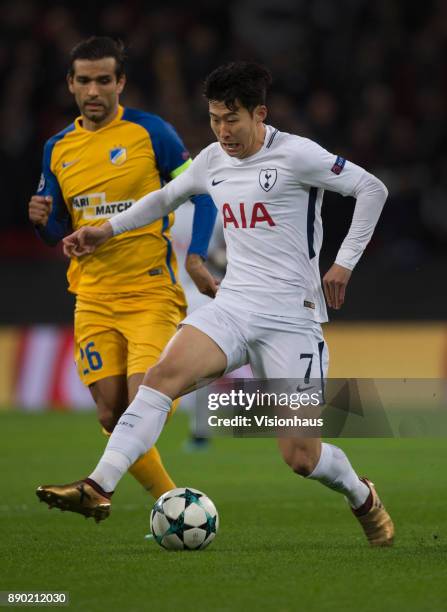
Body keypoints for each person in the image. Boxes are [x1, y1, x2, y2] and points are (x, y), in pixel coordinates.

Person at [37, 61, 394, 546]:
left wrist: (344, 263)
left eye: (232, 119)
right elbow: (162, 199)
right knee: (162, 378)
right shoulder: (211, 160)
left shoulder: (297, 155)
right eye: (214, 119)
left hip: (293, 320)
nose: (222, 131)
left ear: (259, 114)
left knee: (302, 458)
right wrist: (105, 229)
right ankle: (97, 486)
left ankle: (361, 495)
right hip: (234, 306)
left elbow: (372, 188)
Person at [30, 36, 217, 502]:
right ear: (71, 84)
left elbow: (203, 192)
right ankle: (174, 503)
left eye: (104, 80)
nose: (94, 91)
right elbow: (59, 230)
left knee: (142, 400)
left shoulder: (152, 133)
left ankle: (144, 497)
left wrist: (194, 254)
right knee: (111, 415)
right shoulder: (57, 148)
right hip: (92, 297)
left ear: (121, 83)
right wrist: (43, 224)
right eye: (85, 81)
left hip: (150, 293)